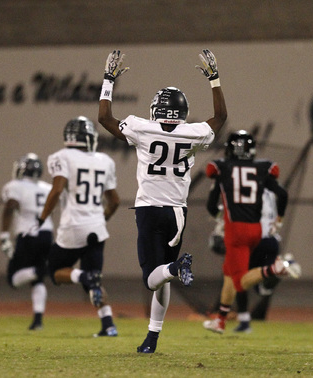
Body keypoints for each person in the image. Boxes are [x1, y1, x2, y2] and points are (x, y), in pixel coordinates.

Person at [97, 49, 228, 353]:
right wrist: (214, 79)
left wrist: (108, 80)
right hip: (177, 214)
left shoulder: (142, 127)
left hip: (148, 209)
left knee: (154, 277)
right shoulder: (193, 133)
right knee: (163, 276)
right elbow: (220, 118)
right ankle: (152, 339)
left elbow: (104, 118)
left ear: (157, 109)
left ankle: (174, 269)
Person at [202, 130, 301, 334]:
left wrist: (220, 216)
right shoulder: (262, 168)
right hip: (255, 229)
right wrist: (280, 217)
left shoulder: (222, 168)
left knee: (240, 281)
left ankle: (278, 268)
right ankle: (220, 320)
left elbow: (211, 206)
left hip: (236, 230)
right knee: (229, 274)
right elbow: (282, 193)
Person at [38, 116, 121, 337]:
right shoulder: (105, 161)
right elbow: (115, 201)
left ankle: (83, 277)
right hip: (97, 228)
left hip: (73, 226)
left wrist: (42, 217)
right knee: (95, 280)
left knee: (56, 272)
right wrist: (101, 218)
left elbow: (56, 191)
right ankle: (109, 325)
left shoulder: (62, 156)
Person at [208, 189, 285, 331]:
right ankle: (240, 318)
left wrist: (221, 220)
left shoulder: (244, 186)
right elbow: (283, 195)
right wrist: (279, 218)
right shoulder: (269, 189)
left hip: (251, 238)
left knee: (237, 278)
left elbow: (235, 207)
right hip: (271, 240)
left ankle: (228, 319)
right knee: (248, 280)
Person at [0, 153, 54, 330]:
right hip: (46, 233)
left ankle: (45, 270)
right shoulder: (47, 188)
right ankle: (38, 320)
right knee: (37, 281)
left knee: (13, 278)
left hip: (28, 234)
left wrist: (4, 236)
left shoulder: (15, 186)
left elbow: (10, 206)